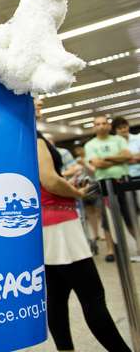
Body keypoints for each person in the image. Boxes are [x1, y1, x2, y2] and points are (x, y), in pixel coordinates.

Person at [34, 99, 131, 352]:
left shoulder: (15, 134)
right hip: (60, 225)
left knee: (57, 296)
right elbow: (49, 180)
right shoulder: (34, 137)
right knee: (92, 296)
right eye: (33, 95)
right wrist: (77, 193)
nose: (39, 101)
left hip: (44, 224)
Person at [84, 115, 132, 262]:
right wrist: (117, 158)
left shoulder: (119, 140)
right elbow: (97, 164)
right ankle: (111, 250)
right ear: (94, 127)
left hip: (123, 181)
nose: (101, 126)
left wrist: (105, 158)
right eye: (98, 124)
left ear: (109, 126)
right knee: (107, 220)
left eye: (104, 123)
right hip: (103, 185)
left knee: (130, 216)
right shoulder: (90, 145)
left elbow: (127, 156)